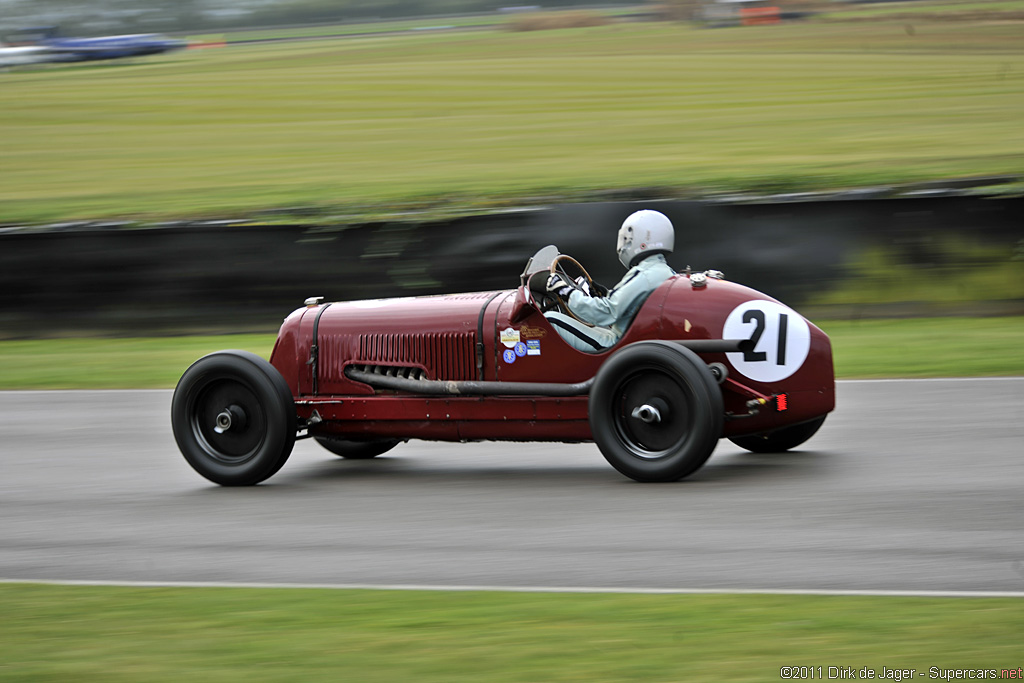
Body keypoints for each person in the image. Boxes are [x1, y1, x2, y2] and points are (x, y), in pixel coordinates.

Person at [544, 209, 676, 352]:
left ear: (641, 240)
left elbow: (605, 312)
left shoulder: (645, 275)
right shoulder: (664, 271)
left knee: (549, 319)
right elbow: (626, 306)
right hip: (633, 339)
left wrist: (565, 291)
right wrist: (606, 294)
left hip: (616, 344)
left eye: (627, 239)